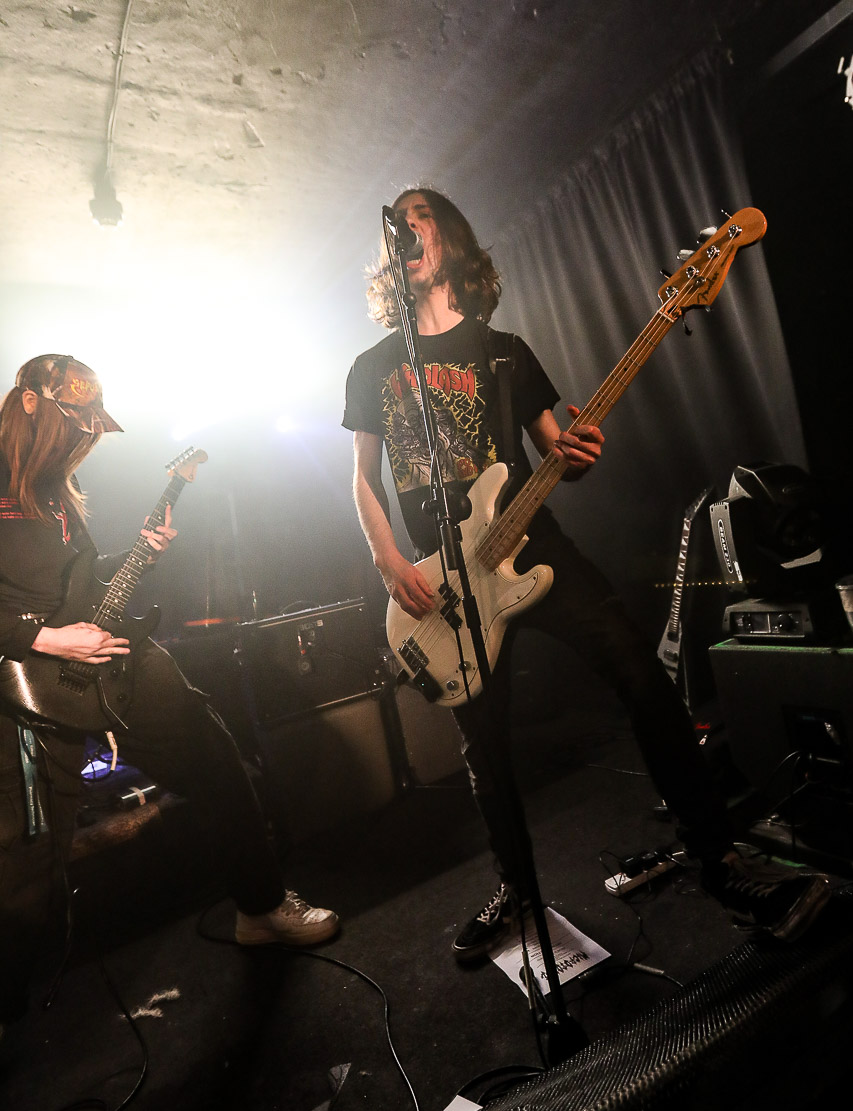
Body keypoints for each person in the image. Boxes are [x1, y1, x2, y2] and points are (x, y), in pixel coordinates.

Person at [342, 187, 831, 960]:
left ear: (449, 238)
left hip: (535, 549)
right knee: (483, 745)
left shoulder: (503, 350)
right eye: (395, 218)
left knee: (642, 677)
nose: (405, 225)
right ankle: (515, 889)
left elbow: (556, 451)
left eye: (420, 214)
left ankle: (718, 861)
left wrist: (575, 453)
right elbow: (363, 476)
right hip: (444, 581)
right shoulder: (372, 366)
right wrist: (386, 557)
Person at [0, 354, 338, 1029]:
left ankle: (261, 908)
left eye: (90, 429)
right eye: (74, 423)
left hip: (113, 655)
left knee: (214, 757)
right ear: (31, 403)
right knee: (25, 859)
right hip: (27, 679)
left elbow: (76, 581)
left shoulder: (58, 490)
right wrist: (44, 639)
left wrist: (139, 556)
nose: (83, 439)